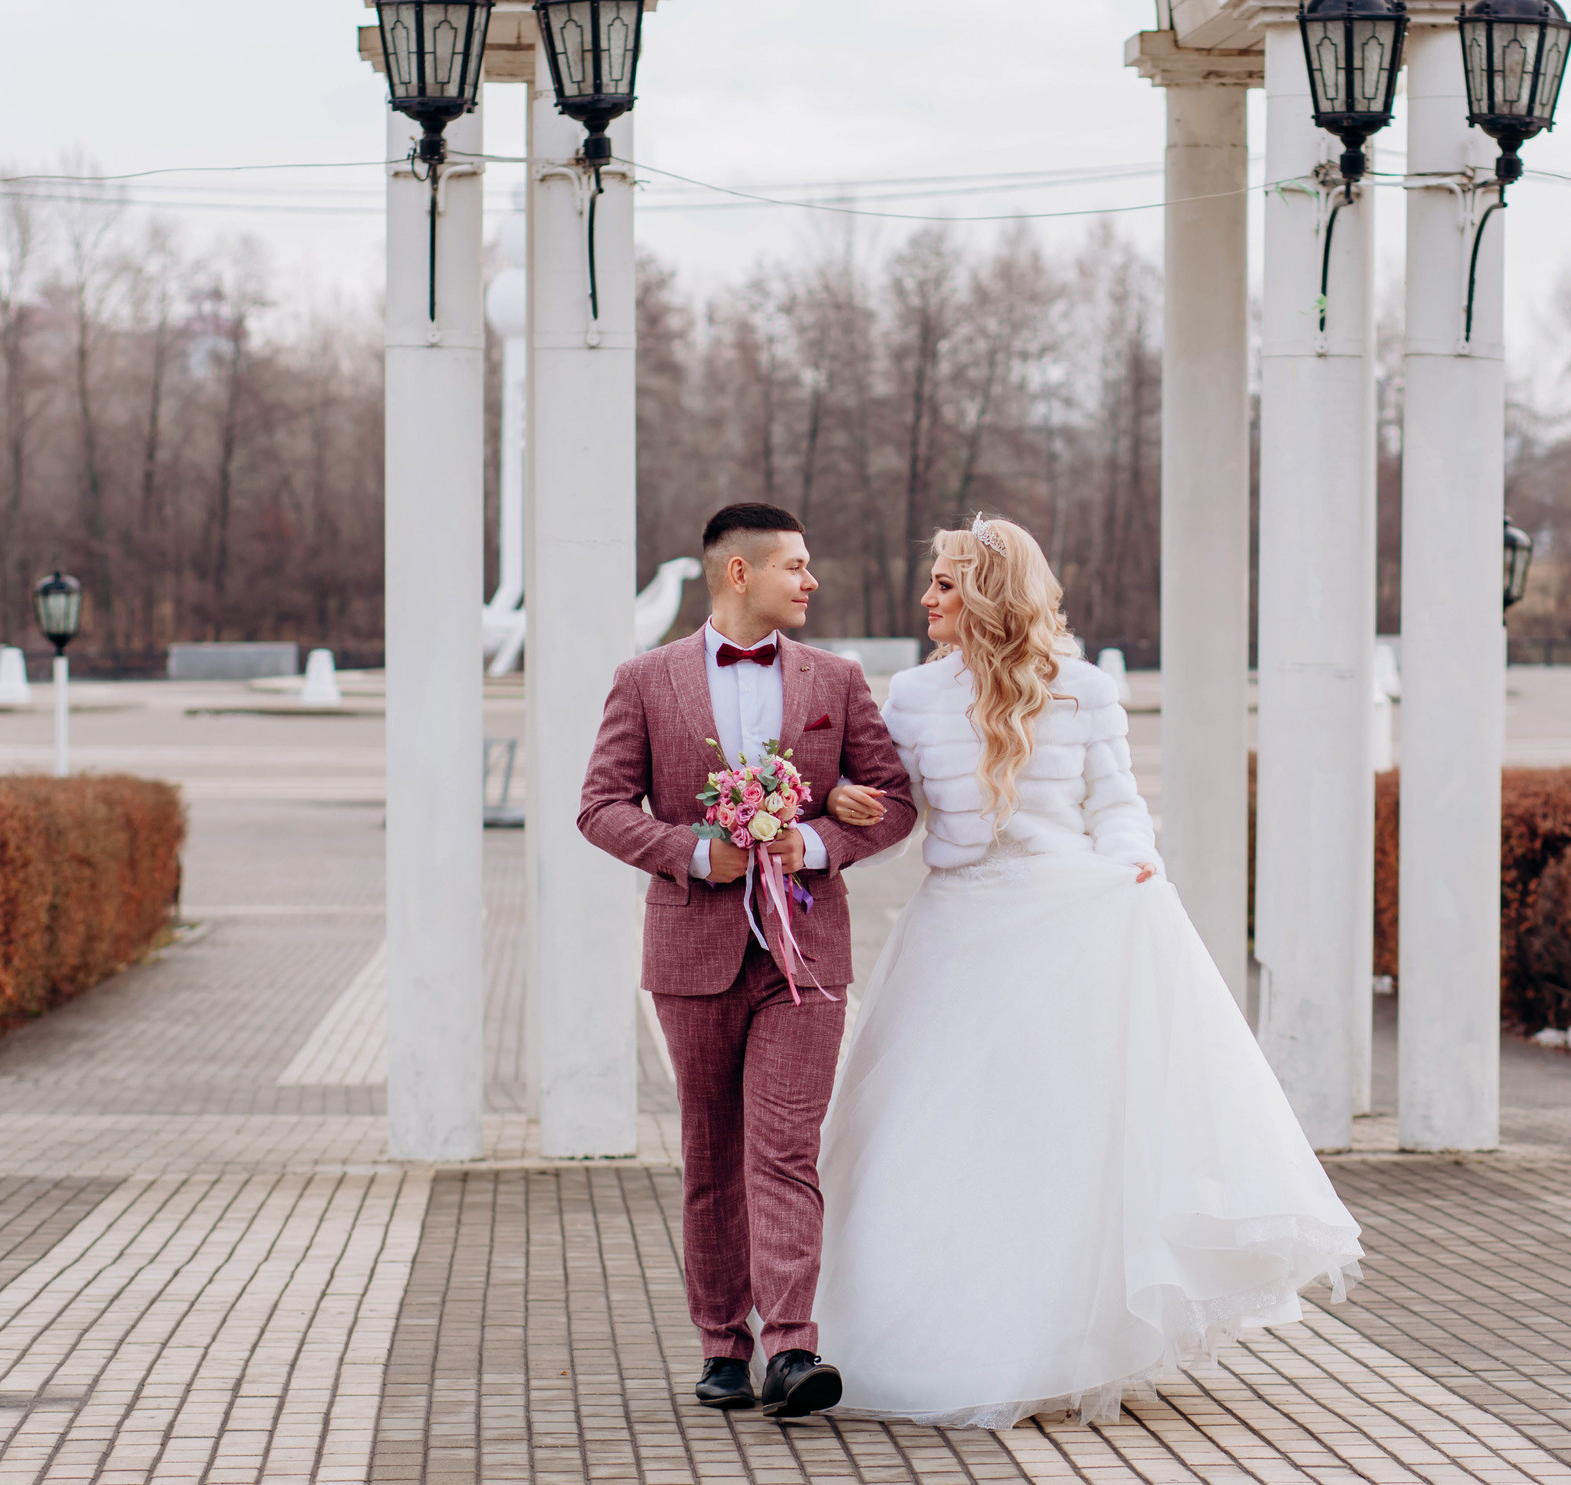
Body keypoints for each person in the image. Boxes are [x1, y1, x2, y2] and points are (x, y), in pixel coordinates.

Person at [812, 517, 1362, 1429]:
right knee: (932, 1130)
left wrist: (1134, 869)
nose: (927, 601)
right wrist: (838, 799)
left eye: (946, 585)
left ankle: (1063, 1340)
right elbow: (889, 804)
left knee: (1058, 1140)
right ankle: (936, 1327)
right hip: (957, 933)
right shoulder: (909, 695)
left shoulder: (1085, 692)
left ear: (986, 592)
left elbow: (1117, 804)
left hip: (1069, 926)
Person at [577, 502, 916, 1419]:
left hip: (805, 953)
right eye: (796, 566)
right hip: (694, 950)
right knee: (711, 1152)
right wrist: (693, 851)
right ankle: (722, 1343)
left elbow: (892, 799)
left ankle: (794, 1348)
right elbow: (601, 804)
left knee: (785, 1149)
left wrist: (810, 844)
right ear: (740, 573)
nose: (810, 582)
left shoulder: (835, 680)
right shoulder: (644, 679)